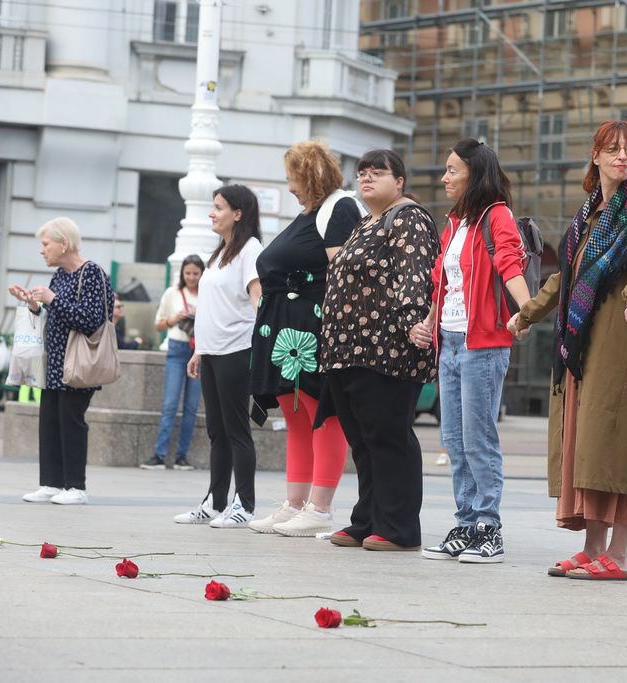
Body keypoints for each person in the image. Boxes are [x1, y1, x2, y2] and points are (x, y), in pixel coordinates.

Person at [507, 120, 627, 580]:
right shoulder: (589, 215)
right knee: (587, 442)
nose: (623, 156)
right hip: (583, 344)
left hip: (620, 339)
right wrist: (527, 314)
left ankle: (619, 555)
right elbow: (566, 277)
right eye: (613, 149)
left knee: (615, 441)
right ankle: (593, 547)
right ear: (596, 156)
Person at [414, 138, 528, 564]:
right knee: (453, 440)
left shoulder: (496, 216)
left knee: (478, 438)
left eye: (452, 171)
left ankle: (489, 528)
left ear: (474, 175)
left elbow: (510, 264)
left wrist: (527, 310)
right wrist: (430, 321)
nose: (445, 178)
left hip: (484, 343)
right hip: (451, 340)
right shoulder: (455, 222)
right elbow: (446, 281)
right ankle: (465, 523)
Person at [319, 149, 439, 551]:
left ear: (400, 181)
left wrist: (411, 324)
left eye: (378, 173)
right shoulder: (365, 221)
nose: (367, 179)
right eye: (362, 173)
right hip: (349, 349)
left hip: (386, 348)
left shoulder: (408, 218)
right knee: (363, 440)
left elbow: (414, 274)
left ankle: (398, 528)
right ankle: (367, 519)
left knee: (388, 437)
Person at [247, 140, 362, 537]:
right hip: (285, 331)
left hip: (310, 329)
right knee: (297, 417)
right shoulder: (309, 214)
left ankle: (320, 506)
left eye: (292, 179)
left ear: (308, 174)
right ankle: (295, 503)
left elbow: (347, 272)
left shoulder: (339, 207)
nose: (290, 187)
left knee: (320, 414)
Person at [9, 217, 115, 506]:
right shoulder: (60, 275)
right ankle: (51, 483)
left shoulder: (92, 273)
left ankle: (76, 487)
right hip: (54, 362)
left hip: (78, 362)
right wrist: (34, 305)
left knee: (71, 421)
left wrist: (53, 299)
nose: (42, 251)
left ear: (63, 243)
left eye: (45, 244)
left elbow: (93, 320)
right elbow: (53, 317)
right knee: (50, 421)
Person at [174, 185, 263, 528]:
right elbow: (211, 307)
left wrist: (261, 348)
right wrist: (199, 350)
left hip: (237, 350)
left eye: (218, 207)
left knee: (236, 429)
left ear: (238, 213)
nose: (212, 213)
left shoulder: (250, 250)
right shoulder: (218, 253)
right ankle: (215, 502)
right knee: (217, 431)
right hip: (211, 352)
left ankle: (245, 505)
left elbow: (259, 302)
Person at [141, 254, 204, 471]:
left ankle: (181, 457)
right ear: (182, 273)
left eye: (196, 273)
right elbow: (158, 325)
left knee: (191, 407)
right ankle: (159, 455)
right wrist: (174, 319)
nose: (192, 277)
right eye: (188, 273)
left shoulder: (208, 294)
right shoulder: (172, 293)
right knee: (169, 405)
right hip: (177, 349)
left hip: (199, 351)